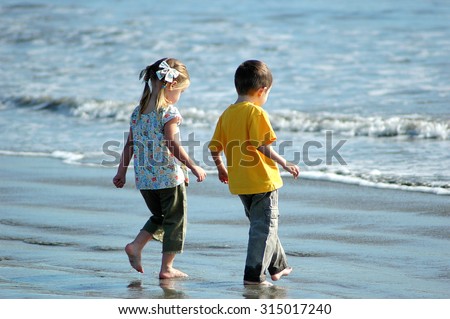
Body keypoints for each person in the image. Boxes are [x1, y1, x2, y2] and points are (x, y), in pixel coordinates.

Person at [209, 60, 300, 286]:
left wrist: (221, 167)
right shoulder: (256, 112)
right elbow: (262, 146)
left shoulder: (227, 114)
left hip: (240, 182)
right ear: (262, 90)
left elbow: (214, 147)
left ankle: (278, 267)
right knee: (265, 228)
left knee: (263, 226)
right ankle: (253, 276)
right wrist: (285, 162)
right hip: (262, 181)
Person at [113, 58, 206, 279]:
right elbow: (172, 144)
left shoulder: (138, 112)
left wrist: (121, 172)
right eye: (181, 91)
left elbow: (130, 144)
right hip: (167, 177)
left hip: (145, 179)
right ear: (171, 86)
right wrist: (192, 166)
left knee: (160, 216)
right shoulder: (168, 112)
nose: (180, 97)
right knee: (175, 219)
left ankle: (136, 246)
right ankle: (167, 268)